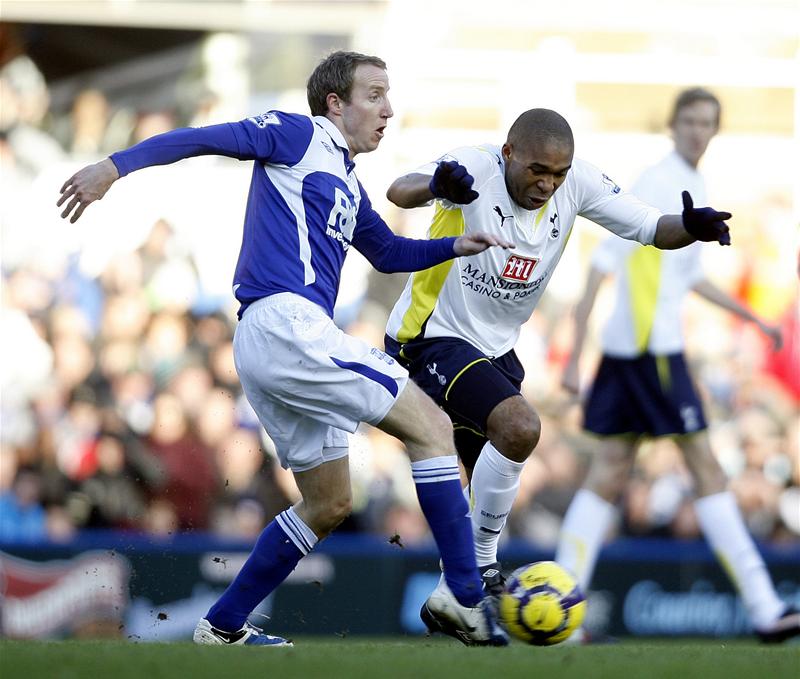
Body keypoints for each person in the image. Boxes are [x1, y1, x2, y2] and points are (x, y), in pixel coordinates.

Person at [57, 51, 513, 647]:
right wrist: (114, 167)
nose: (388, 109)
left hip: (277, 339)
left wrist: (455, 245)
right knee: (431, 425)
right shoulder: (298, 135)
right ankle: (465, 595)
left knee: (328, 502)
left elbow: (387, 254)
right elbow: (205, 139)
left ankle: (221, 627)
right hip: (286, 325)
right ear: (334, 103)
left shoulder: (347, 178)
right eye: (374, 94)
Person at [381, 106, 734, 641]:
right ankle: (479, 573)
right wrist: (436, 183)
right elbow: (398, 190)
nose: (547, 184)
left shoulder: (578, 183)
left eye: (558, 174)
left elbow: (650, 227)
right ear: (509, 154)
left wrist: (689, 227)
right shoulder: (472, 167)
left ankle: (456, 598)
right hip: (429, 336)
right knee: (520, 427)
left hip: (496, 350)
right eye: (536, 171)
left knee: (490, 477)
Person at [555, 87, 799, 643]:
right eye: (689, 120)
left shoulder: (692, 183)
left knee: (609, 473)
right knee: (706, 469)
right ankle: (764, 608)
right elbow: (603, 265)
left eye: (707, 122)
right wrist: (572, 356)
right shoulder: (659, 181)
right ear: (673, 125)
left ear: (715, 129)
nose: (698, 130)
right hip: (652, 353)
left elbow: (687, 277)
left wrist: (752, 319)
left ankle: (561, 615)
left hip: (635, 353)